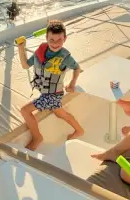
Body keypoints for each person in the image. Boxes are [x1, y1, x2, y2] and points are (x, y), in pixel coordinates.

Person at [17, 20, 84, 150]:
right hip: (48, 93)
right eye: (51, 40)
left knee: (25, 110)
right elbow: (25, 65)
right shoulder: (40, 51)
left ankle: (37, 138)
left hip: (52, 94)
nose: (55, 44)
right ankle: (79, 130)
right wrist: (21, 49)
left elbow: (77, 68)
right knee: (60, 113)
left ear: (65, 38)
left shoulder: (65, 57)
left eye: (59, 40)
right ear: (46, 38)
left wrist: (72, 83)